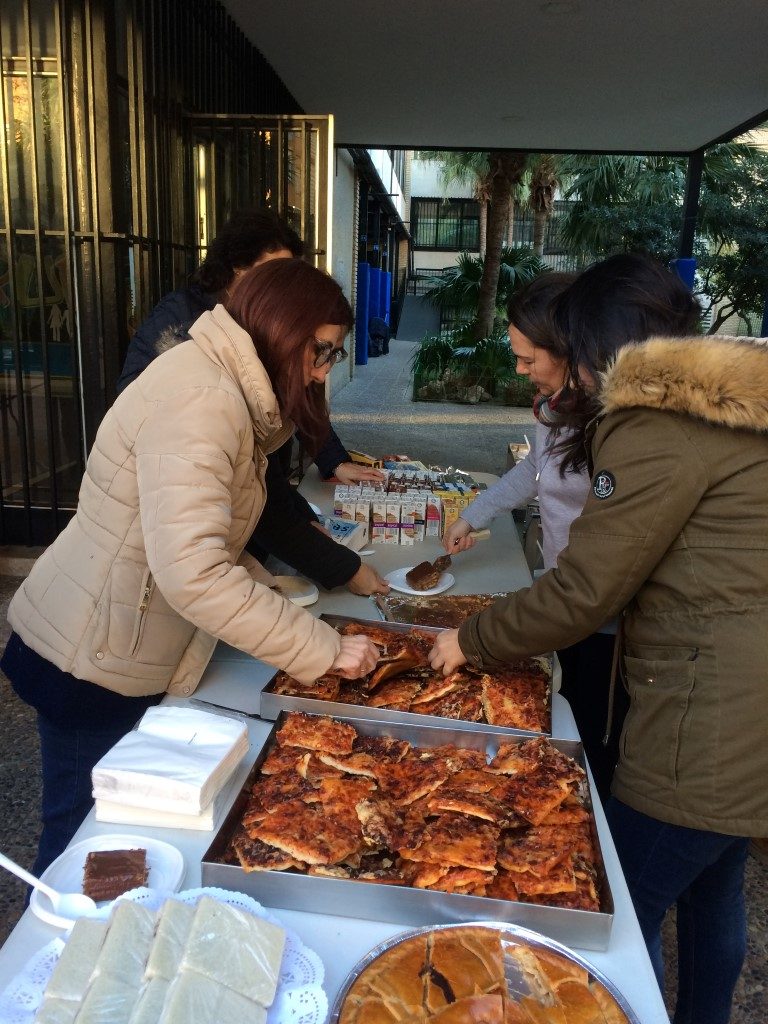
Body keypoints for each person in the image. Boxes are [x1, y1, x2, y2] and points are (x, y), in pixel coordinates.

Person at [429, 252, 766, 1024]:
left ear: (596, 345)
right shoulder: (724, 404)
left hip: (708, 720)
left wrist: (472, 640)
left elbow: (585, 589)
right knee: (714, 890)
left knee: (605, 919)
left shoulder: (652, 422)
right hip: (748, 711)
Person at [2, 258, 380, 874]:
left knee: (117, 838)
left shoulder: (221, 384)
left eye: (331, 355)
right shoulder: (205, 399)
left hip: (120, 638)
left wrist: (266, 587)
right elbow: (193, 570)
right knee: (81, 846)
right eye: (321, 351)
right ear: (280, 330)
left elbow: (194, 537)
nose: (321, 371)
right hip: (90, 656)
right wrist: (322, 647)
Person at [117, 207, 388, 595]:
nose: (321, 373)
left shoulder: (251, 356)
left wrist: (330, 466)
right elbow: (200, 576)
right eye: (274, 276)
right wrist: (333, 575)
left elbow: (264, 469)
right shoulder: (202, 383)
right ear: (236, 270)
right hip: (142, 583)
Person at [442, 272, 626, 801]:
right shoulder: (555, 405)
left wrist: (478, 638)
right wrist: (473, 515)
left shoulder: (613, 424)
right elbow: (535, 470)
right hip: (562, 591)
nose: (520, 370)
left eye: (528, 358)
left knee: (590, 731)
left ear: (569, 349)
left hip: (601, 609)